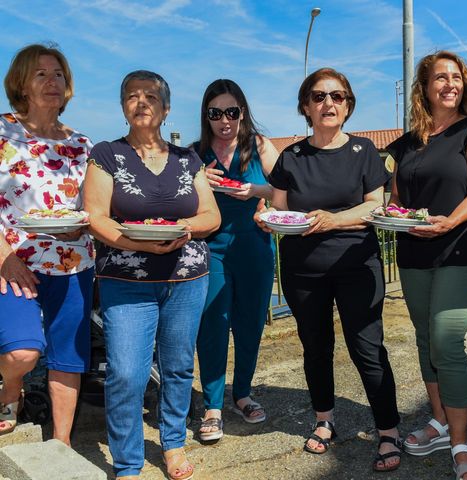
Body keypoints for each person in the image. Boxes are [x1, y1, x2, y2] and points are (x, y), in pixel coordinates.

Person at [256, 67, 402, 472]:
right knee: (315, 347)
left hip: (357, 262)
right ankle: (324, 420)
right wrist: (266, 215)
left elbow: (376, 205)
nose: (329, 104)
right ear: (306, 106)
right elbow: (282, 209)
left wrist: (333, 220)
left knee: (367, 348)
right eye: (319, 97)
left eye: (337, 97)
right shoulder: (292, 156)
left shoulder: (365, 152)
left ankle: (388, 430)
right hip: (303, 269)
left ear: (348, 105)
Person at [83, 70, 220, 480]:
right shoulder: (106, 154)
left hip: (187, 277)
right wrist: (138, 243)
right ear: (123, 105)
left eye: (150, 96)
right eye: (131, 95)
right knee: (127, 371)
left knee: (178, 366)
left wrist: (185, 230)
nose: (141, 102)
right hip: (126, 281)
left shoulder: (187, 158)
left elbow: (210, 214)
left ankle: (173, 443)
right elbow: (95, 218)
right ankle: (127, 461)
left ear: (166, 108)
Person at [386, 51, 467, 480]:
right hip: (413, 249)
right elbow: (397, 198)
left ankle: (461, 442)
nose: (449, 84)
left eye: (456, 77)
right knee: (423, 339)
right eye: (440, 77)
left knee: (446, 342)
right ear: (425, 86)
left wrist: (450, 221)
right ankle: (438, 421)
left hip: (458, 246)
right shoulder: (409, 140)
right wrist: (391, 214)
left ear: (464, 85)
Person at [0, 44, 94, 446]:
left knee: (67, 359)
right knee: (22, 354)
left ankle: (62, 443)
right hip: (15, 261)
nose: (52, 82)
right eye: (41, 74)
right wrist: (3, 257)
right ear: (21, 84)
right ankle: (9, 390)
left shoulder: (83, 144)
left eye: (58, 74)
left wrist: (84, 226)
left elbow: (91, 204)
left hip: (74, 261)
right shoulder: (3, 132)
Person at [193, 79, 278, 441]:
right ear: (206, 116)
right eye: (216, 113)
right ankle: (213, 405)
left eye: (231, 111)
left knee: (249, 323)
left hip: (254, 243)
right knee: (212, 324)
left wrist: (255, 192)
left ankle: (241, 394)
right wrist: (196, 178)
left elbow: (286, 189)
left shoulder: (259, 146)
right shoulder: (194, 153)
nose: (224, 120)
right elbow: (175, 198)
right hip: (211, 246)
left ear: (242, 112)